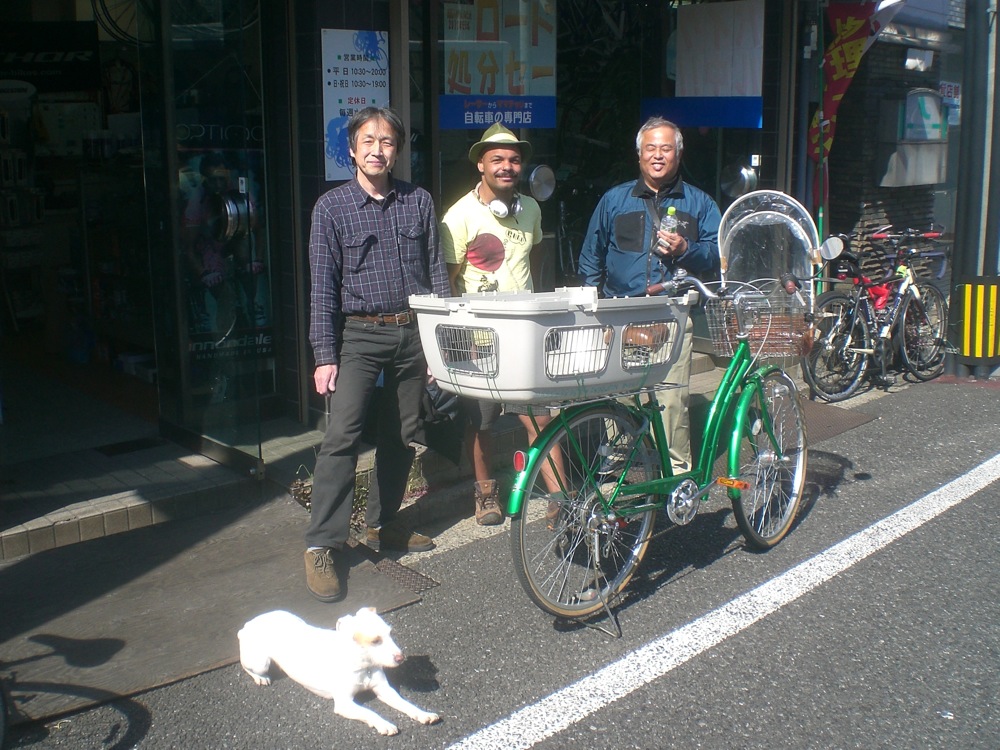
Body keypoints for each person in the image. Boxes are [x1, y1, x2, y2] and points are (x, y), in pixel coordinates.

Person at [305, 106, 450, 602]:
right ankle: (323, 544)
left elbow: (437, 277)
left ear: (397, 150)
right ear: (351, 148)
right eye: (367, 140)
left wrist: (436, 343)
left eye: (387, 141)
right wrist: (325, 354)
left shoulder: (419, 202)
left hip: (411, 333)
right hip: (360, 337)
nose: (377, 149)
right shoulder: (331, 208)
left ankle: (384, 524)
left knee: (401, 433)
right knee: (341, 437)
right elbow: (322, 289)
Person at [577, 116, 721, 474]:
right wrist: (590, 304)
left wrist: (687, 248)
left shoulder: (700, 203)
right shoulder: (614, 199)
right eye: (650, 148)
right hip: (621, 314)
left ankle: (677, 473)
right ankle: (618, 469)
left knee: (671, 400)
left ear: (678, 154)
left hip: (672, 312)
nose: (658, 156)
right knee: (618, 396)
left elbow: (719, 253)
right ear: (639, 154)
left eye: (666, 148)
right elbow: (592, 253)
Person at [440, 123, 564, 525]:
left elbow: (536, 259)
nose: (507, 166)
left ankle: (560, 497)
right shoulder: (458, 216)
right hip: (479, 336)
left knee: (543, 417)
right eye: (497, 159)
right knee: (482, 420)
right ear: (481, 164)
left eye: (513, 159)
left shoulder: (531, 209)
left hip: (524, 334)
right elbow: (449, 279)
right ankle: (485, 494)